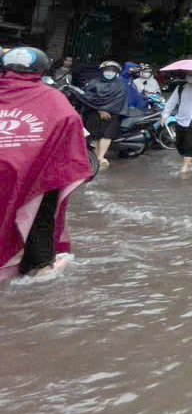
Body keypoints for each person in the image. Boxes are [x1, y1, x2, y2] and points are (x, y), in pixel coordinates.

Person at [0, 47, 94, 281]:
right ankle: (39, 267)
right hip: (33, 174)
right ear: (41, 69)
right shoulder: (51, 97)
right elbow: (71, 123)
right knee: (42, 212)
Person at [80, 60, 127, 169]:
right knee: (94, 135)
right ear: (102, 71)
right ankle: (97, 157)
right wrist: (99, 109)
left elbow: (119, 100)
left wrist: (107, 110)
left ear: (116, 72)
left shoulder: (120, 85)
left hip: (112, 114)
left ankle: (101, 157)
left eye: (112, 71)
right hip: (94, 113)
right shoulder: (93, 83)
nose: (109, 73)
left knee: (107, 135)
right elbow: (87, 98)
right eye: (107, 70)